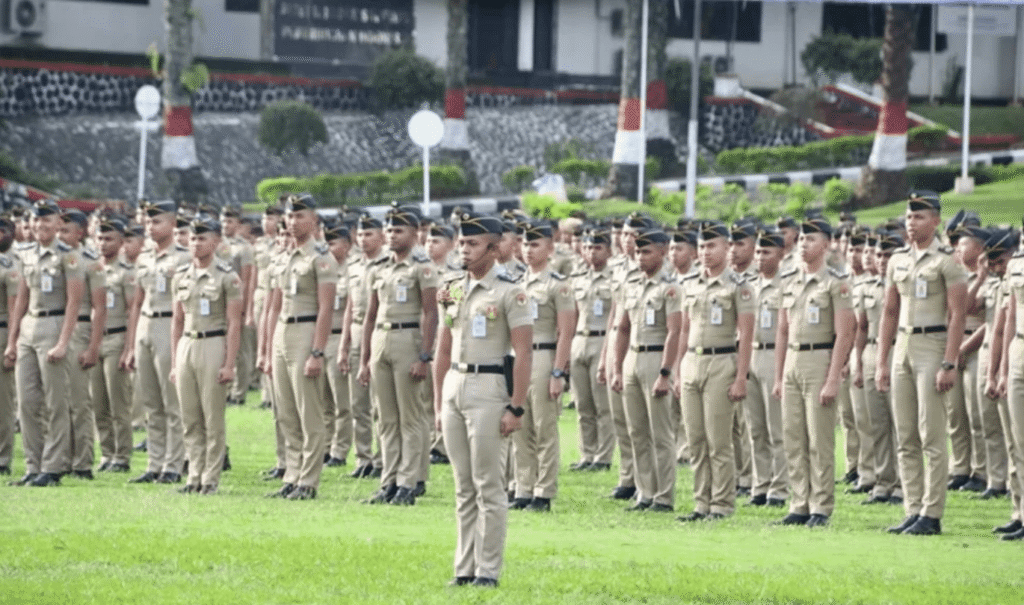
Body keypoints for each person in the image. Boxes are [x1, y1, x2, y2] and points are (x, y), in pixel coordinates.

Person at [433, 210, 532, 588]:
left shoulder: (510, 292)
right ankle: (464, 568)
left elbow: (523, 353)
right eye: (462, 242)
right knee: (463, 486)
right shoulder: (453, 288)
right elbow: (443, 349)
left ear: (493, 248)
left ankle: (487, 571)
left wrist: (516, 406)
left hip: (489, 389)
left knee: (489, 485)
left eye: (473, 244)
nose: (464, 249)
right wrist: (439, 402)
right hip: (456, 385)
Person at [876, 191, 968, 536]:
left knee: (931, 435)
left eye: (919, 217)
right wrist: (882, 361)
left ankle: (932, 512)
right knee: (905, 435)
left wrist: (949, 362)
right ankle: (912, 509)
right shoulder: (897, 259)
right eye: (909, 217)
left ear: (936, 220)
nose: (911, 223)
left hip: (933, 345)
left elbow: (958, 314)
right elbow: (888, 312)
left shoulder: (947, 261)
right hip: (903, 345)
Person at [772, 215, 855, 528]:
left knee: (819, 440)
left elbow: (845, 334)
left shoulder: (836, 283)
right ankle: (799, 502)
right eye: (802, 238)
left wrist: (833, 378)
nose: (804, 244)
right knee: (793, 437)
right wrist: (779, 376)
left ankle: (821, 505)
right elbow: (782, 331)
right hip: (793, 360)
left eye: (812, 239)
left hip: (819, 359)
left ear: (827, 244)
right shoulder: (789, 280)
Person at [359, 204, 438, 506]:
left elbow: (431, 314)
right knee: (386, 418)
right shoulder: (379, 268)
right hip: (381, 337)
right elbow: (369, 316)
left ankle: (408, 481)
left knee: (411, 417)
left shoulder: (422, 267)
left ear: (415, 234)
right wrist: (365, 359)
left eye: (398, 230)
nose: (392, 235)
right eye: (389, 230)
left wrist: (424, 355)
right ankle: (388, 480)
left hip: (408, 338)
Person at [676, 220, 755, 522]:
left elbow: (746, 335)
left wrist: (740, 377)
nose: (706, 252)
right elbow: (684, 329)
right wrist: (678, 367)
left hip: (722, 362)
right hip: (692, 362)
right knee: (695, 440)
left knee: (718, 440)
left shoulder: (738, 286)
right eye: (703, 246)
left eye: (713, 246)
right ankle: (701, 502)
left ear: (726, 247)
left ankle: (721, 503)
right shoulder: (691, 284)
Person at [5, 199, 85, 487]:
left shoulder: (69, 256)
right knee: (27, 402)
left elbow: (74, 302)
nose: (40, 226)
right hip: (29, 326)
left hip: (55, 325)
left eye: (47, 221)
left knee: (55, 401)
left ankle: (53, 467)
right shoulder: (26, 254)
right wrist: (12, 342)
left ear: (58, 224)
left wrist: (63, 342)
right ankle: (32, 465)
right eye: (36, 221)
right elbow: (21, 300)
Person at [266, 193, 338, 501]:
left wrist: (317, 351)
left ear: (313, 220)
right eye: (289, 216)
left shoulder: (320, 257)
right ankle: (291, 474)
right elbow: (275, 304)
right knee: (286, 411)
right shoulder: (284, 256)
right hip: (283, 330)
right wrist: (268, 347)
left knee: (309, 411)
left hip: (307, 330)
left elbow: (326, 308)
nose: (293, 222)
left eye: (299, 216)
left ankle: (308, 480)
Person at [170, 215, 243, 495]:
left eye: (202, 238)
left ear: (215, 242)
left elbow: (234, 323)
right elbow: (177, 320)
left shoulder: (227, 277)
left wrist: (229, 363)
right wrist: (176, 360)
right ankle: (193, 475)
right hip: (188, 344)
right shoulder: (181, 276)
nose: (195, 243)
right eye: (192, 238)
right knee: (190, 418)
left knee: (213, 418)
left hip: (213, 344)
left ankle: (210, 478)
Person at [611, 227, 682, 513]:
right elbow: (623, 329)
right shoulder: (633, 285)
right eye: (638, 251)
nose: (640, 257)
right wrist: (617, 368)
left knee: (661, 434)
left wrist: (665, 373)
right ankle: (645, 492)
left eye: (647, 251)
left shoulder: (670, 288)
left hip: (655, 360)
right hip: (633, 360)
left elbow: (674, 331)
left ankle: (664, 496)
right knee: (636, 431)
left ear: (663, 252)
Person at [509, 219, 574, 512]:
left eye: (534, 244)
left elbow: (566, 332)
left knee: (544, 427)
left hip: (544, 356)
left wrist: (558, 372)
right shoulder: (516, 283)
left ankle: (543, 491)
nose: (528, 250)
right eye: (524, 244)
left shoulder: (557, 285)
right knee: (519, 425)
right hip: (518, 358)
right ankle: (523, 487)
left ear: (549, 248)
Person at [125, 199, 190, 485]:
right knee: (151, 401)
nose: (151, 227)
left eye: (157, 221)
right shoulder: (143, 257)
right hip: (146, 326)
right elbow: (137, 302)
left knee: (171, 402)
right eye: (148, 222)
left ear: (173, 224)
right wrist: (130, 344)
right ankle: (154, 463)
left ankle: (173, 465)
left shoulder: (184, 258)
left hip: (168, 324)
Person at [853, 230, 904, 505]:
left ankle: (902, 484)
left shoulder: (904, 284)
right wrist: (859, 364)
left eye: (888, 255)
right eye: (880, 255)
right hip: (872, 351)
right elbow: (861, 328)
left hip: (898, 348)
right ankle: (883, 482)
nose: (882, 260)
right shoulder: (867, 288)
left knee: (901, 423)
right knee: (877, 423)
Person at [59, 208, 107, 479]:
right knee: (58, 401)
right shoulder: (55, 258)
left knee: (79, 401)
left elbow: (100, 308)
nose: (61, 235)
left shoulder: (90, 261)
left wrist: (92, 347)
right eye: (60, 229)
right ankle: (61, 458)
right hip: (56, 328)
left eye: (67, 230)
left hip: (80, 329)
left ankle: (82, 462)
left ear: (81, 232)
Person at [339, 213, 386, 479]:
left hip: (380, 330)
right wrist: (344, 346)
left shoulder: (386, 263)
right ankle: (363, 457)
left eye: (369, 234)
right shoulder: (354, 266)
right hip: (357, 331)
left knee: (380, 404)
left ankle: (381, 459)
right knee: (358, 404)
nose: (363, 239)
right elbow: (349, 309)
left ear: (381, 236)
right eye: (360, 234)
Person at [745, 227, 789, 507]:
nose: (760, 257)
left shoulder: (786, 285)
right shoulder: (750, 285)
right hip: (751, 355)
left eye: (767, 252)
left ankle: (779, 487)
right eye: (758, 251)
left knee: (777, 429)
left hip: (775, 355)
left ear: (781, 254)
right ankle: (760, 485)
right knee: (755, 428)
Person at [568, 226, 615, 473]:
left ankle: (603, 457)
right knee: (582, 404)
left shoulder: (614, 278)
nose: (591, 252)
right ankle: (587, 453)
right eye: (587, 247)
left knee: (603, 405)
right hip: (579, 339)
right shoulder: (578, 278)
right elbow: (573, 314)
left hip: (602, 340)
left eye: (597, 247)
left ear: (608, 250)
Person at [92, 216, 136, 473]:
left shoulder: (126, 273)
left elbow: (132, 311)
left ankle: (122, 455)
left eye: (109, 238)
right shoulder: (93, 269)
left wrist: (129, 348)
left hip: (117, 337)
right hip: (95, 339)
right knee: (98, 403)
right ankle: (106, 453)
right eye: (99, 238)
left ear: (121, 242)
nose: (102, 243)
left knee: (118, 402)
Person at [323, 221, 353, 468]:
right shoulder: (323, 269)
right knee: (322, 399)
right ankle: (324, 445)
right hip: (321, 337)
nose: (328, 247)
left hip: (339, 336)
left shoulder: (352, 272)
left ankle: (340, 450)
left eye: (333, 242)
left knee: (341, 399)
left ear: (346, 245)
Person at [0, 216, 17, 476]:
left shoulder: (8, 266)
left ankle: (2, 458)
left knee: (3, 400)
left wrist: (12, 343)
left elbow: (15, 308)